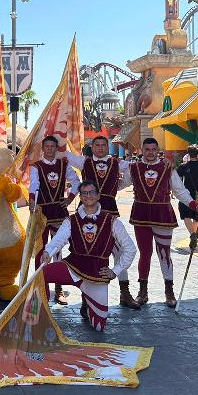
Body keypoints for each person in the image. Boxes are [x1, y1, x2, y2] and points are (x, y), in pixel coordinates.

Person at [120, 138, 198, 308]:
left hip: (162, 215)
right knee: (145, 254)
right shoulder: (134, 167)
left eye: (154, 149)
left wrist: (195, 205)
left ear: (157, 150)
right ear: (142, 150)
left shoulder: (167, 167)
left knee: (164, 254)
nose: (151, 152)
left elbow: (180, 190)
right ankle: (142, 292)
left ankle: (169, 292)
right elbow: (121, 184)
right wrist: (100, 191)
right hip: (142, 215)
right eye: (147, 149)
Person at [42, 180, 137, 332]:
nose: (88, 196)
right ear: (80, 197)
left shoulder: (112, 221)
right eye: (84, 193)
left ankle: (87, 301)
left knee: (99, 327)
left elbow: (130, 249)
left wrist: (115, 271)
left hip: (97, 275)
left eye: (91, 192)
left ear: (98, 195)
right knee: (39, 276)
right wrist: (48, 251)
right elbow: (58, 239)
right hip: (73, 267)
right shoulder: (71, 220)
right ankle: (38, 316)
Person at [65, 135, 140, 310]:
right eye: (96, 145)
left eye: (103, 145)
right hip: (87, 213)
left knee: (119, 251)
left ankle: (125, 293)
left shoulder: (117, 163)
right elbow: (65, 154)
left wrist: (118, 185)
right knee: (86, 252)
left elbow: (135, 170)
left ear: (107, 147)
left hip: (109, 211)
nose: (100, 148)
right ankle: (86, 299)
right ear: (92, 147)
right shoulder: (84, 162)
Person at [28, 135, 80, 305]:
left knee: (57, 249)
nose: (49, 149)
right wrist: (32, 205)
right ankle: (40, 287)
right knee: (40, 249)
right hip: (42, 212)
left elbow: (76, 182)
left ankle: (58, 290)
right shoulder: (36, 167)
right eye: (47, 146)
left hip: (59, 210)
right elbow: (34, 187)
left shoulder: (64, 164)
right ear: (43, 149)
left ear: (56, 148)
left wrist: (70, 198)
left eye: (52, 146)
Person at [176, 144, 198, 250]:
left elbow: (178, 182)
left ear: (188, 153)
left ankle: (192, 234)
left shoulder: (183, 166)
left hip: (185, 194)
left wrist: (174, 193)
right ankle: (195, 234)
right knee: (197, 216)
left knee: (186, 216)